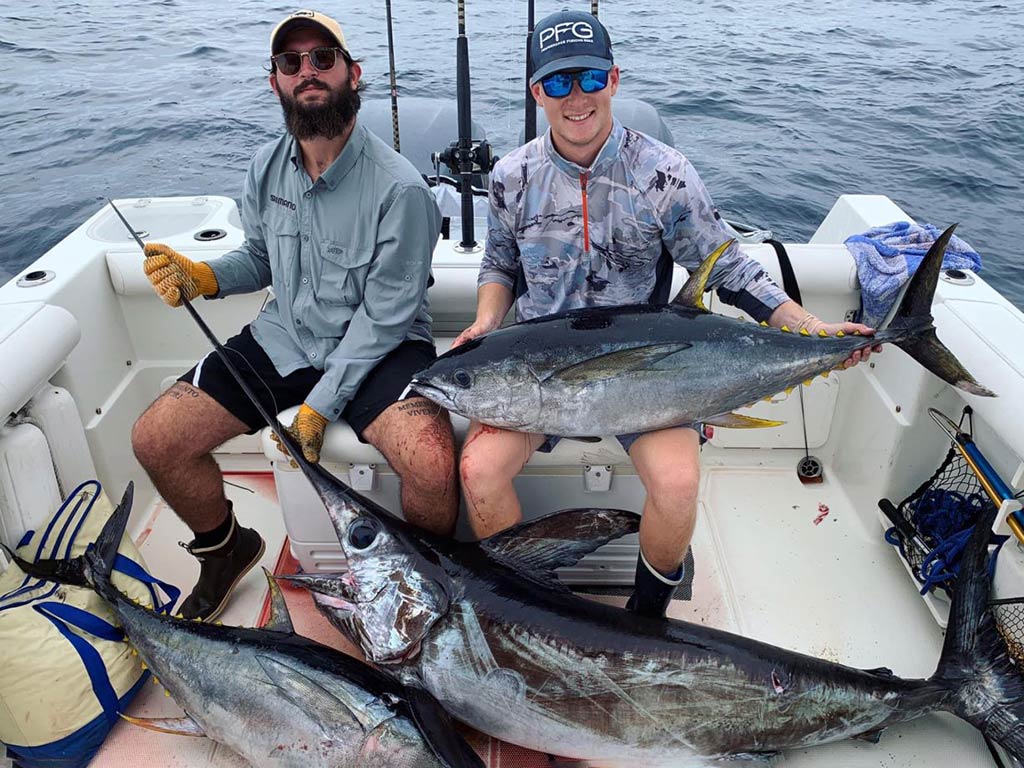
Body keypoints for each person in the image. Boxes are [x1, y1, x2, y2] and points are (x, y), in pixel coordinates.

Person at [455, 9, 879, 618]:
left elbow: (727, 268)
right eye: (556, 84)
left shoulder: (663, 174)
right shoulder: (512, 177)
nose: (575, 98)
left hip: (650, 372)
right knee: (479, 469)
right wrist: (485, 323)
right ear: (536, 94)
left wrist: (811, 330)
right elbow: (500, 265)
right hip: (540, 370)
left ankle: (645, 616)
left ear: (614, 80)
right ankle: (537, 609)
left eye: (589, 78)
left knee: (678, 485)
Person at [131, 10, 458, 622]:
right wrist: (204, 276)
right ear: (275, 82)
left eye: (322, 58)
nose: (307, 71)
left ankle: (427, 583)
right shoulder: (265, 166)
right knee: (157, 439)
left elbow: (386, 317)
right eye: (291, 62)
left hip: (380, 349)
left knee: (432, 459)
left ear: (352, 74)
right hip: (286, 336)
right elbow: (259, 256)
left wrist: (321, 405)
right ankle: (225, 550)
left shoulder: (402, 189)